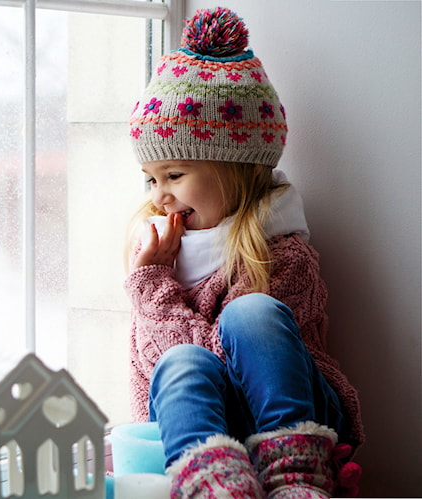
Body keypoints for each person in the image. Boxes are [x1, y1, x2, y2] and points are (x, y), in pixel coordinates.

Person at [124, 7, 364, 499]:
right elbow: (160, 377)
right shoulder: (155, 260)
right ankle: (217, 488)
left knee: (249, 315)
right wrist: (151, 281)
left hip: (294, 421)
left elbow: (236, 366)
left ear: (238, 169)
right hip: (209, 437)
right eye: (150, 178)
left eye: (174, 176)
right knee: (181, 363)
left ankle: (297, 481)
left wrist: (162, 295)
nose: (158, 197)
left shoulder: (282, 255)